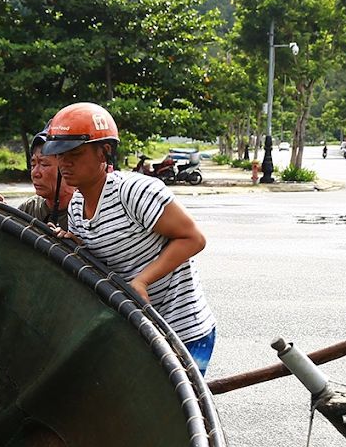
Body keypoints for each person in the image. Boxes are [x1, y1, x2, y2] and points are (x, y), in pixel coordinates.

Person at [42, 102, 218, 373]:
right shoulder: (77, 205)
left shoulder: (134, 192)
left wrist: (142, 281)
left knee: (178, 413)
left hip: (182, 330)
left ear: (105, 152)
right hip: (140, 332)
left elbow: (193, 239)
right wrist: (73, 245)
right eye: (59, 154)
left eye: (74, 153)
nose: (64, 162)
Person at [20, 129, 74, 227]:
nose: (35, 173)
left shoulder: (83, 215)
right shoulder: (30, 209)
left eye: (44, 164)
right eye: (33, 164)